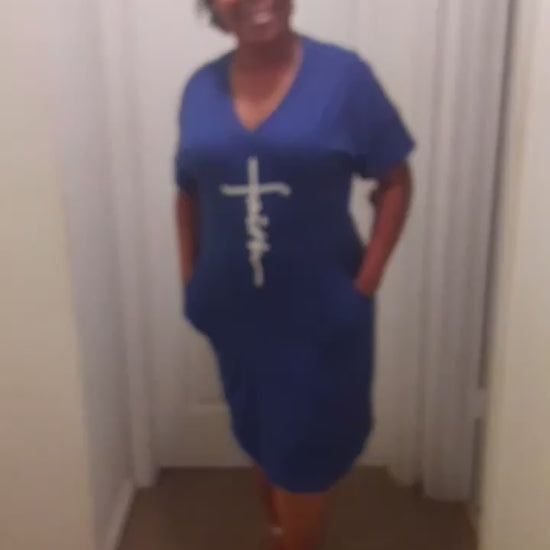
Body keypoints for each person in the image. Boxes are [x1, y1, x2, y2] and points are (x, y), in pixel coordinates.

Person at [174, 1, 414, 548]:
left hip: (318, 317)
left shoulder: (344, 78)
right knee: (261, 436)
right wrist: (191, 277)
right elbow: (188, 190)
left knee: (304, 455)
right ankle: (280, 531)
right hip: (234, 315)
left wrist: (366, 281)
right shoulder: (199, 90)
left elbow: (395, 181)